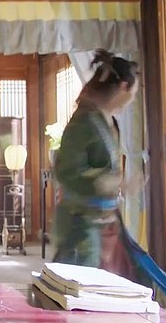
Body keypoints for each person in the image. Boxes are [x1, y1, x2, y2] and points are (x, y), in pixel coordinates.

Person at [52, 49, 146, 282]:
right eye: (134, 91)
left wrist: (117, 185)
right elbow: (67, 172)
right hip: (80, 223)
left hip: (103, 220)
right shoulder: (85, 121)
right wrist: (113, 183)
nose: (133, 97)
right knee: (79, 286)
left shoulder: (107, 120)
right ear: (124, 87)